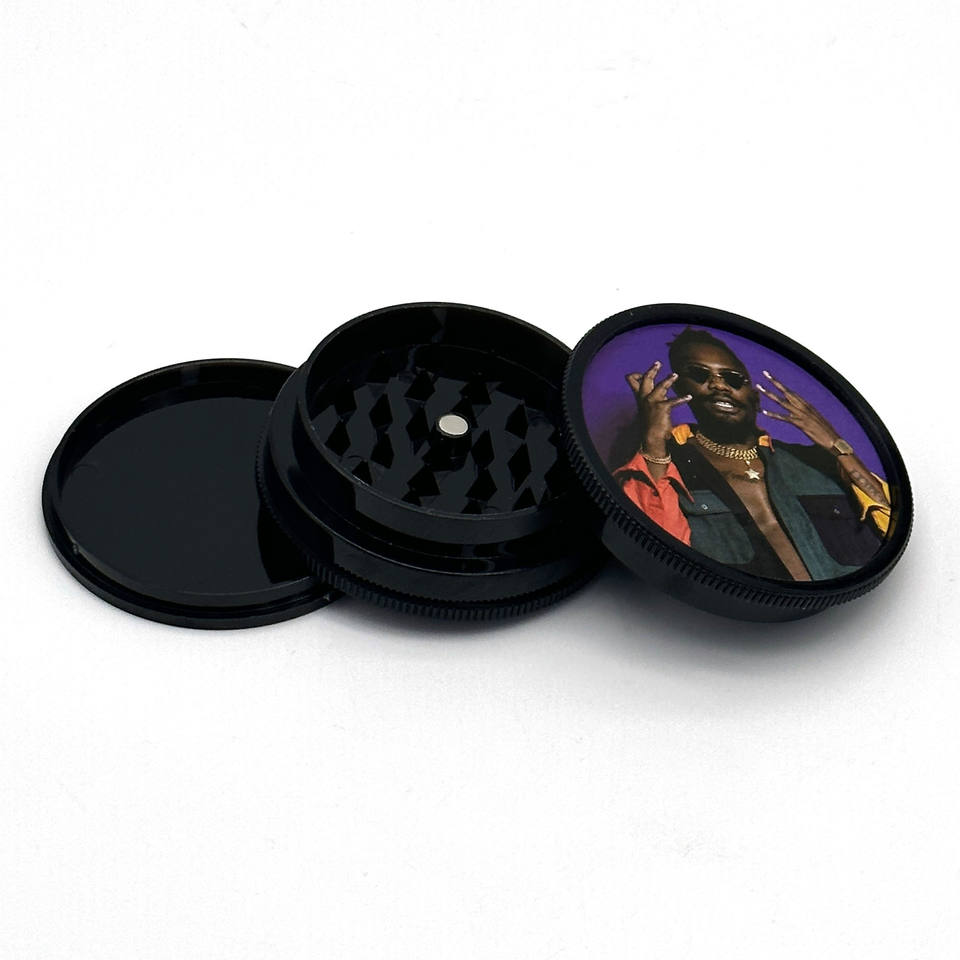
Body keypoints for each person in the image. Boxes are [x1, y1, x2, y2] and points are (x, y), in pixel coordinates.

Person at [615, 327, 891, 581]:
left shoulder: (815, 463)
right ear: (679, 389)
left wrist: (835, 444)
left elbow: (889, 522)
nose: (719, 385)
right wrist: (653, 438)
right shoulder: (669, 466)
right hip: (737, 611)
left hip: (848, 605)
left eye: (733, 379)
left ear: (754, 397)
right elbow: (657, 549)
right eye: (699, 374)